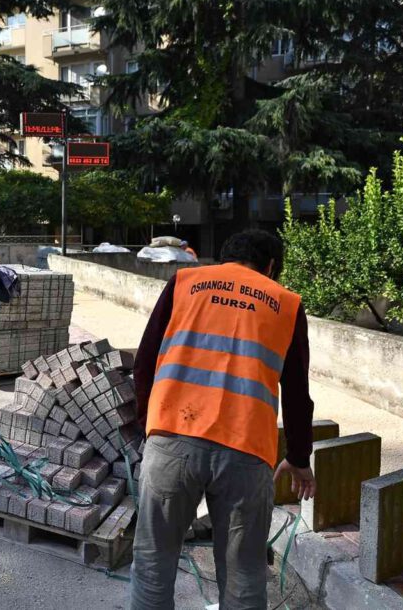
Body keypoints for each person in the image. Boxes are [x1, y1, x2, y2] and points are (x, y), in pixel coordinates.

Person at [130, 229, 315, 610]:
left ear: (222, 259)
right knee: (243, 575)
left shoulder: (184, 282)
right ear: (271, 266)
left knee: (153, 565)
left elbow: (145, 361)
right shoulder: (285, 304)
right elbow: (297, 392)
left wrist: (148, 428)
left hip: (172, 437)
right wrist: (299, 457)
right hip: (246, 453)